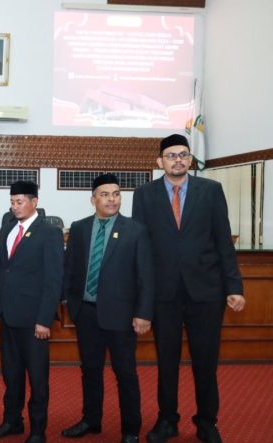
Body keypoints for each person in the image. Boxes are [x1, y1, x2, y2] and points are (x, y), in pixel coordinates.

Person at [132, 134, 245, 443]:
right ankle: (167, 420)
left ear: (190, 159)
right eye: (171, 155)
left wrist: (233, 285)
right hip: (163, 294)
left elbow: (224, 241)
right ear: (160, 162)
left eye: (183, 154)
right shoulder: (144, 195)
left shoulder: (211, 191)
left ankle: (207, 421)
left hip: (206, 293)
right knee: (166, 362)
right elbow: (141, 250)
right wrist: (141, 298)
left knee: (205, 362)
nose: (178, 159)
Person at [61, 173, 154, 443]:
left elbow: (145, 275)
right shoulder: (78, 228)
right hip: (87, 313)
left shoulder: (135, 230)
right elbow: (70, 268)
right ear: (93, 199)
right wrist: (69, 301)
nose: (111, 199)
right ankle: (91, 420)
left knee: (125, 373)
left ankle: (131, 430)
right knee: (90, 370)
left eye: (116, 194)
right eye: (105, 194)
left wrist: (144, 313)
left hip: (122, 317)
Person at [0, 180, 64, 443]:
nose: (15, 206)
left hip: (34, 321)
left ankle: (38, 430)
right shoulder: (7, 228)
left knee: (38, 378)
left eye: (20, 201)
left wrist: (44, 320)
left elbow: (54, 280)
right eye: (12, 201)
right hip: (8, 316)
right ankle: (12, 421)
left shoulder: (49, 232)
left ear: (34, 202)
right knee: (12, 374)